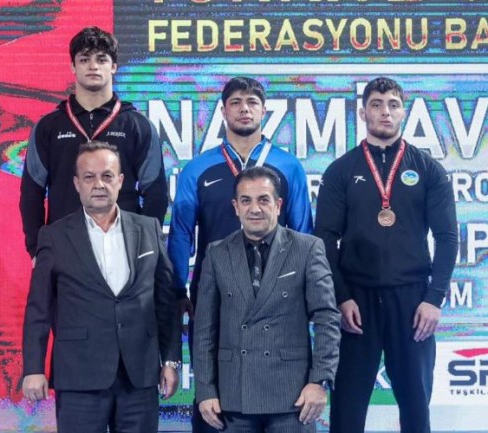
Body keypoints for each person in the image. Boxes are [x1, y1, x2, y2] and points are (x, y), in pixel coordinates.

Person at [168, 76, 313, 432]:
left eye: (251, 102)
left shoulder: (289, 166)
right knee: (213, 388)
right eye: (235, 102)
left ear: (264, 111)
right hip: (215, 294)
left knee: (280, 381)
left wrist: (306, 290)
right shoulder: (198, 169)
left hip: (277, 295)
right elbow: (181, 232)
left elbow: (303, 232)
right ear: (223, 111)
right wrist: (177, 289)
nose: (244, 109)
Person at [314, 77, 458, 433]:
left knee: (415, 407)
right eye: (376, 104)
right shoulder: (341, 171)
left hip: (412, 303)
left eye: (393, 104)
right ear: (363, 112)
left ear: (403, 111)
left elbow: (447, 237)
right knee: (347, 410)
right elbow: (324, 240)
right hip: (355, 305)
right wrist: (341, 297)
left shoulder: (428, 169)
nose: (385, 112)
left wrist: (434, 299)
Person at [21, 141, 181, 433]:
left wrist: (171, 360)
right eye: (89, 177)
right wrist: (33, 368)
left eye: (107, 176)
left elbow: (166, 303)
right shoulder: (53, 236)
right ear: (76, 184)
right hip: (79, 376)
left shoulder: (149, 229)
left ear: (120, 181)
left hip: (140, 377)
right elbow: (38, 309)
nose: (99, 184)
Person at [193, 166, 340, 433]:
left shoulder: (308, 248)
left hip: (294, 397)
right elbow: (204, 328)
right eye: (246, 201)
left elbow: (327, 318)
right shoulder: (217, 253)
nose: (255, 209)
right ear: (235, 207)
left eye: (263, 200)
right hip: (232, 397)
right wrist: (205, 389)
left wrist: (319, 381)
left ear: (278, 205)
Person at [20, 26, 168, 261]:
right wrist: (37, 249)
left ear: (114, 66)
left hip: (124, 250)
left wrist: (145, 246)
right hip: (64, 251)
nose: (93, 66)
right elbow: (31, 193)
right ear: (73, 66)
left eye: (101, 59)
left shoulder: (137, 126)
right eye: (84, 59)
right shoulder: (48, 127)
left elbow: (156, 193)